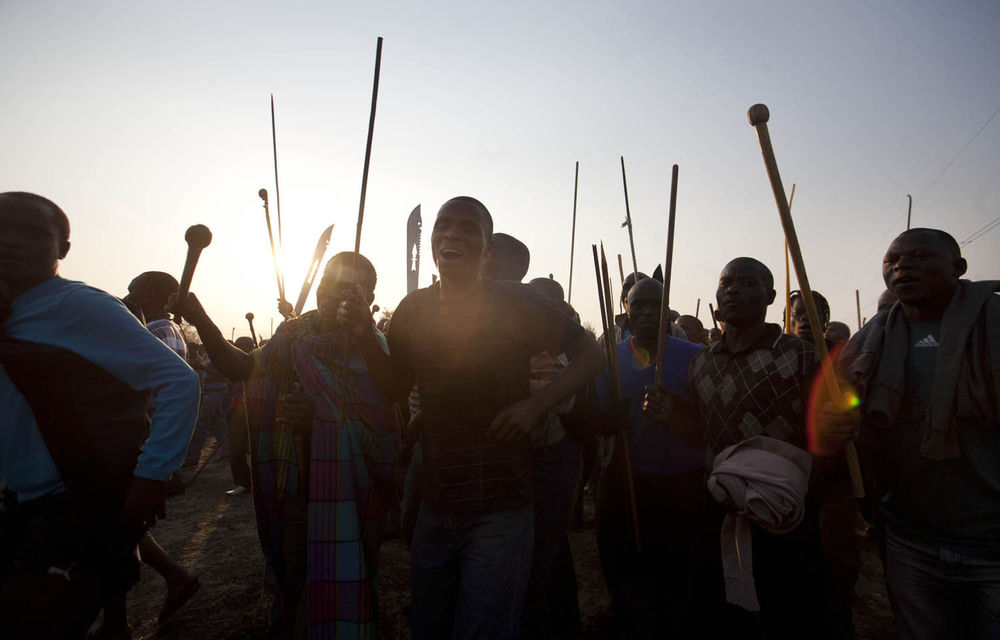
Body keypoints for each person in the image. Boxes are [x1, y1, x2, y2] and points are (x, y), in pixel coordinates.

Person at [356, 196, 605, 640]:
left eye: (468, 228)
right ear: (433, 240)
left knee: (483, 629)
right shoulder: (413, 310)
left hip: (501, 506)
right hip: (437, 499)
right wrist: (361, 333)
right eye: (444, 226)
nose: (452, 234)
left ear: (487, 249)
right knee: (430, 623)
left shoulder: (515, 303)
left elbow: (591, 354)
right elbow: (395, 386)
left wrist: (535, 404)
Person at [0, 192, 200, 639]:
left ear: (62, 249)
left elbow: (179, 382)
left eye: (31, 233)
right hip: (20, 499)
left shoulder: (80, 306)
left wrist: (153, 474)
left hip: (74, 496)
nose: (10, 243)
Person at [175, 252, 400, 639]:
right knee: (295, 585)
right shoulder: (295, 337)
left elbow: (384, 435)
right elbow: (242, 368)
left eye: (349, 289)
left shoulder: (376, 354)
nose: (333, 295)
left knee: (346, 582)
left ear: (370, 297)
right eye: (327, 284)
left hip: (354, 499)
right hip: (296, 492)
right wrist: (202, 321)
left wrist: (322, 420)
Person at [646, 257, 856, 639]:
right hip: (720, 505)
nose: (733, 290)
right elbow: (700, 432)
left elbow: (829, 436)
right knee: (722, 610)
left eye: (747, 283)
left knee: (786, 611)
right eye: (726, 283)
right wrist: (670, 414)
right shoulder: (702, 360)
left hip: (783, 511)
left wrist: (840, 424)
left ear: (770, 296)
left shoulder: (803, 355)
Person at [839, 228, 1000, 640]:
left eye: (920, 256)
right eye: (891, 260)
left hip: (991, 541)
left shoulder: (994, 326)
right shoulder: (867, 344)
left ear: (958, 267)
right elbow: (853, 426)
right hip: (912, 538)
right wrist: (841, 421)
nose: (902, 266)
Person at [594, 277, 705, 638]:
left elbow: (711, 418)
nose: (645, 312)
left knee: (677, 558)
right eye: (637, 304)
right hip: (629, 470)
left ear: (667, 308)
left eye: (654, 304)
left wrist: (676, 411)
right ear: (624, 307)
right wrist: (607, 418)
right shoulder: (611, 357)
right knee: (621, 550)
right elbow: (595, 414)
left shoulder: (693, 356)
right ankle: (625, 608)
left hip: (682, 478)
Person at [786, 288, 862, 639]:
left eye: (812, 313)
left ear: (826, 317)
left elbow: (859, 404)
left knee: (836, 563)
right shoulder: (783, 358)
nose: (804, 320)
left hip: (834, 478)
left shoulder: (844, 357)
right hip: (794, 476)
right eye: (797, 314)